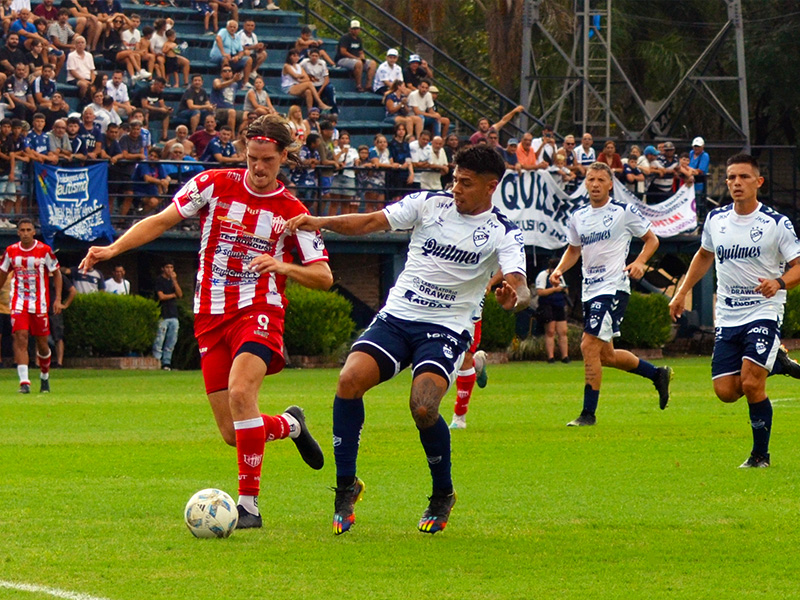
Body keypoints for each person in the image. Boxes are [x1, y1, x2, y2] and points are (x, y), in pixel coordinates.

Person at [80, 113, 332, 528]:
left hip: (259, 310)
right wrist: (114, 249)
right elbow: (161, 220)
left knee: (240, 393)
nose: (258, 167)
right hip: (209, 316)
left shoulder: (293, 212)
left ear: (284, 156)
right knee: (234, 432)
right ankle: (290, 424)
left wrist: (281, 267)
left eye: (267, 159)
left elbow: (324, 277)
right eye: (252, 157)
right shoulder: (213, 184)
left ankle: (249, 507)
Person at [285, 144, 530, 535]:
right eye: (454, 180)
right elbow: (370, 222)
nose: (456, 188)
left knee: (423, 407)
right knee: (349, 380)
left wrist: (513, 295)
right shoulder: (427, 204)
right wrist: (320, 222)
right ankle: (346, 487)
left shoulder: (503, 230)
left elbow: (520, 283)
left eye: (466, 183)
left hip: (447, 327)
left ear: (491, 186)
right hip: (398, 317)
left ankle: (442, 493)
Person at [669, 153, 800, 468]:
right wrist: (681, 292)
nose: (737, 183)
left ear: (759, 182)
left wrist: (779, 282)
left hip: (763, 311)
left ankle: (760, 456)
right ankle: (777, 363)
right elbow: (703, 255)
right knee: (726, 391)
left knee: (753, 383)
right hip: (727, 315)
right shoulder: (716, 220)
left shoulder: (776, 223)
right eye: (731, 178)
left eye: (743, 177)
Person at [550, 161, 672, 426]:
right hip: (590, 289)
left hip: (613, 287)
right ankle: (657, 374)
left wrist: (639, 262)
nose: (595, 184)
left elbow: (652, 240)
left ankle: (588, 414)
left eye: (600, 180)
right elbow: (574, 250)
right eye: (591, 179)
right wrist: (559, 269)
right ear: (585, 183)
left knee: (587, 345)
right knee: (606, 355)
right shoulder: (579, 216)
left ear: (609, 184)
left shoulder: (623, 211)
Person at [0, 217, 61, 393]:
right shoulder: (11, 252)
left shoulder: (44, 251)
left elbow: (56, 273)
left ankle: (44, 377)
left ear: (34, 232)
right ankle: (24, 382)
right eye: (22, 230)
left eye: (29, 230)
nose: (25, 233)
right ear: (18, 232)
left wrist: (57, 299)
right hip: (19, 301)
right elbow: (3, 274)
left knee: (42, 344)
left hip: (40, 304)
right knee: (20, 337)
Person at [536, 257, 569, 363]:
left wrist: (563, 290)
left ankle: (565, 356)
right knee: (550, 331)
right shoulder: (543, 275)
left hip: (559, 305)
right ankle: (551, 357)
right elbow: (540, 292)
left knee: (563, 331)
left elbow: (565, 289)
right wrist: (554, 289)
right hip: (547, 306)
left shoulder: (560, 276)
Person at [152, 261, 181, 370]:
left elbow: (180, 294)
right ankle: (157, 361)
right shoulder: (159, 280)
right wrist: (173, 295)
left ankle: (166, 363)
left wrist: (174, 280)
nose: (169, 270)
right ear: (163, 268)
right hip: (163, 314)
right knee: (159, 339)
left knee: (171, 340)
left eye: (171, 267)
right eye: (167, 267)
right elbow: (161, 296)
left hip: (173, 314)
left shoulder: (172, 281)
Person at [334, 19, 375, 93]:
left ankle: (368, 85)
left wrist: (363, 58)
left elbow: (361, 52)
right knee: (358, 63)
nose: (355, 30)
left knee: (372, 63)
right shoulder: (345, 38)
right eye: (353, 29)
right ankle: (358, 85)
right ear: (350, 29)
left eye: (357, 29)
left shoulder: (359, 39)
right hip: (343, 59)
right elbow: (343, 52)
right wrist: (356, 58)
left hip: (356, 59)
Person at [299, 47, 336, 114]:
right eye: (313, 56)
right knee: (308, 92)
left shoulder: (322, 63)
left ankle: (334, 111)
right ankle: (313, 112)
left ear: (319, 56)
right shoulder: (304, 62)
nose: (314, 57)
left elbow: (326, 79)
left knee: (330, 88)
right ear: (309, 55)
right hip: (310, 85)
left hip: (320, 85)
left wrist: (319, 92)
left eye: (316, 56)